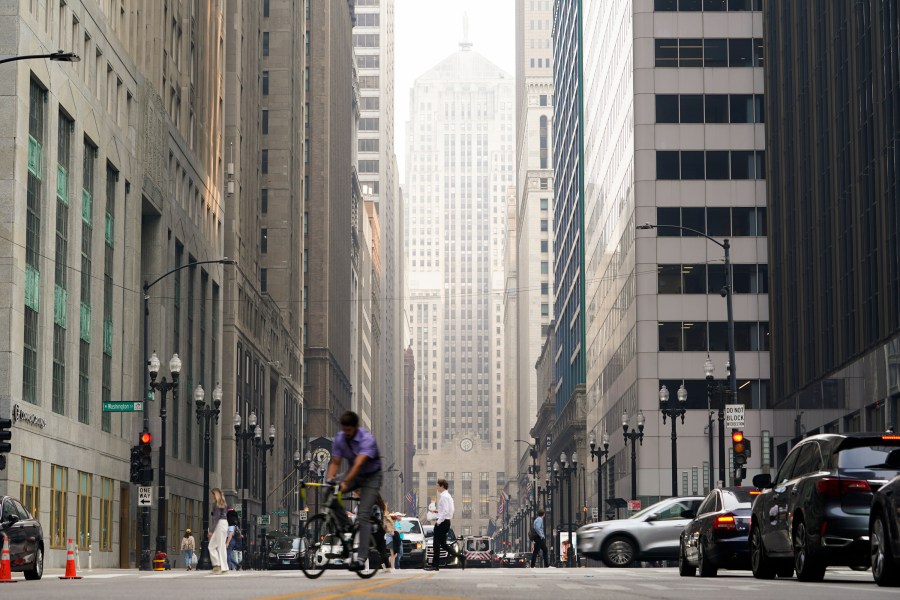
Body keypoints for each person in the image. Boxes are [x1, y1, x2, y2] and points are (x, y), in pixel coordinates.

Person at [326, 410, 383, 572]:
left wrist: (344, 483)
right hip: (354, 474)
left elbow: (358, 464)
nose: (347, 434)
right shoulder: (340, 438)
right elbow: (335, 462)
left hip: (371, 477)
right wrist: (330, 479)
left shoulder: (367, 439)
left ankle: (360, 558)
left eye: (349, 431)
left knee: (363, 515)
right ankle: (346, 526)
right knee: (330, 492)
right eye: (344, 431)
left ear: (356, 427)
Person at [425, 479, 466, 571]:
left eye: (437, 485)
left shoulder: (444, 497)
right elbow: (450, 510)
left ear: (442, 486)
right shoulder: (448, 496)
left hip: (442, 522)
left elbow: (446, 511)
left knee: (436, 543)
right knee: (443, 544)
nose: (436, 487)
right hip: (447, 521)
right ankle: (460, 557)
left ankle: (435, 565)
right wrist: (437, 511)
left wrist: (438, 521)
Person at [208, 488, 230, 574]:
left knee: (219, 546)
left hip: (220, 524)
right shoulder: (224, 504)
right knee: (212, 546)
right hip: (224, 523)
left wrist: (211, 531)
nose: (211, 496)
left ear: (215, 495)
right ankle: (217, 566)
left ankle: (222, 567)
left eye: (212, 494)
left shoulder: (216, 504)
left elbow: (216, 518)